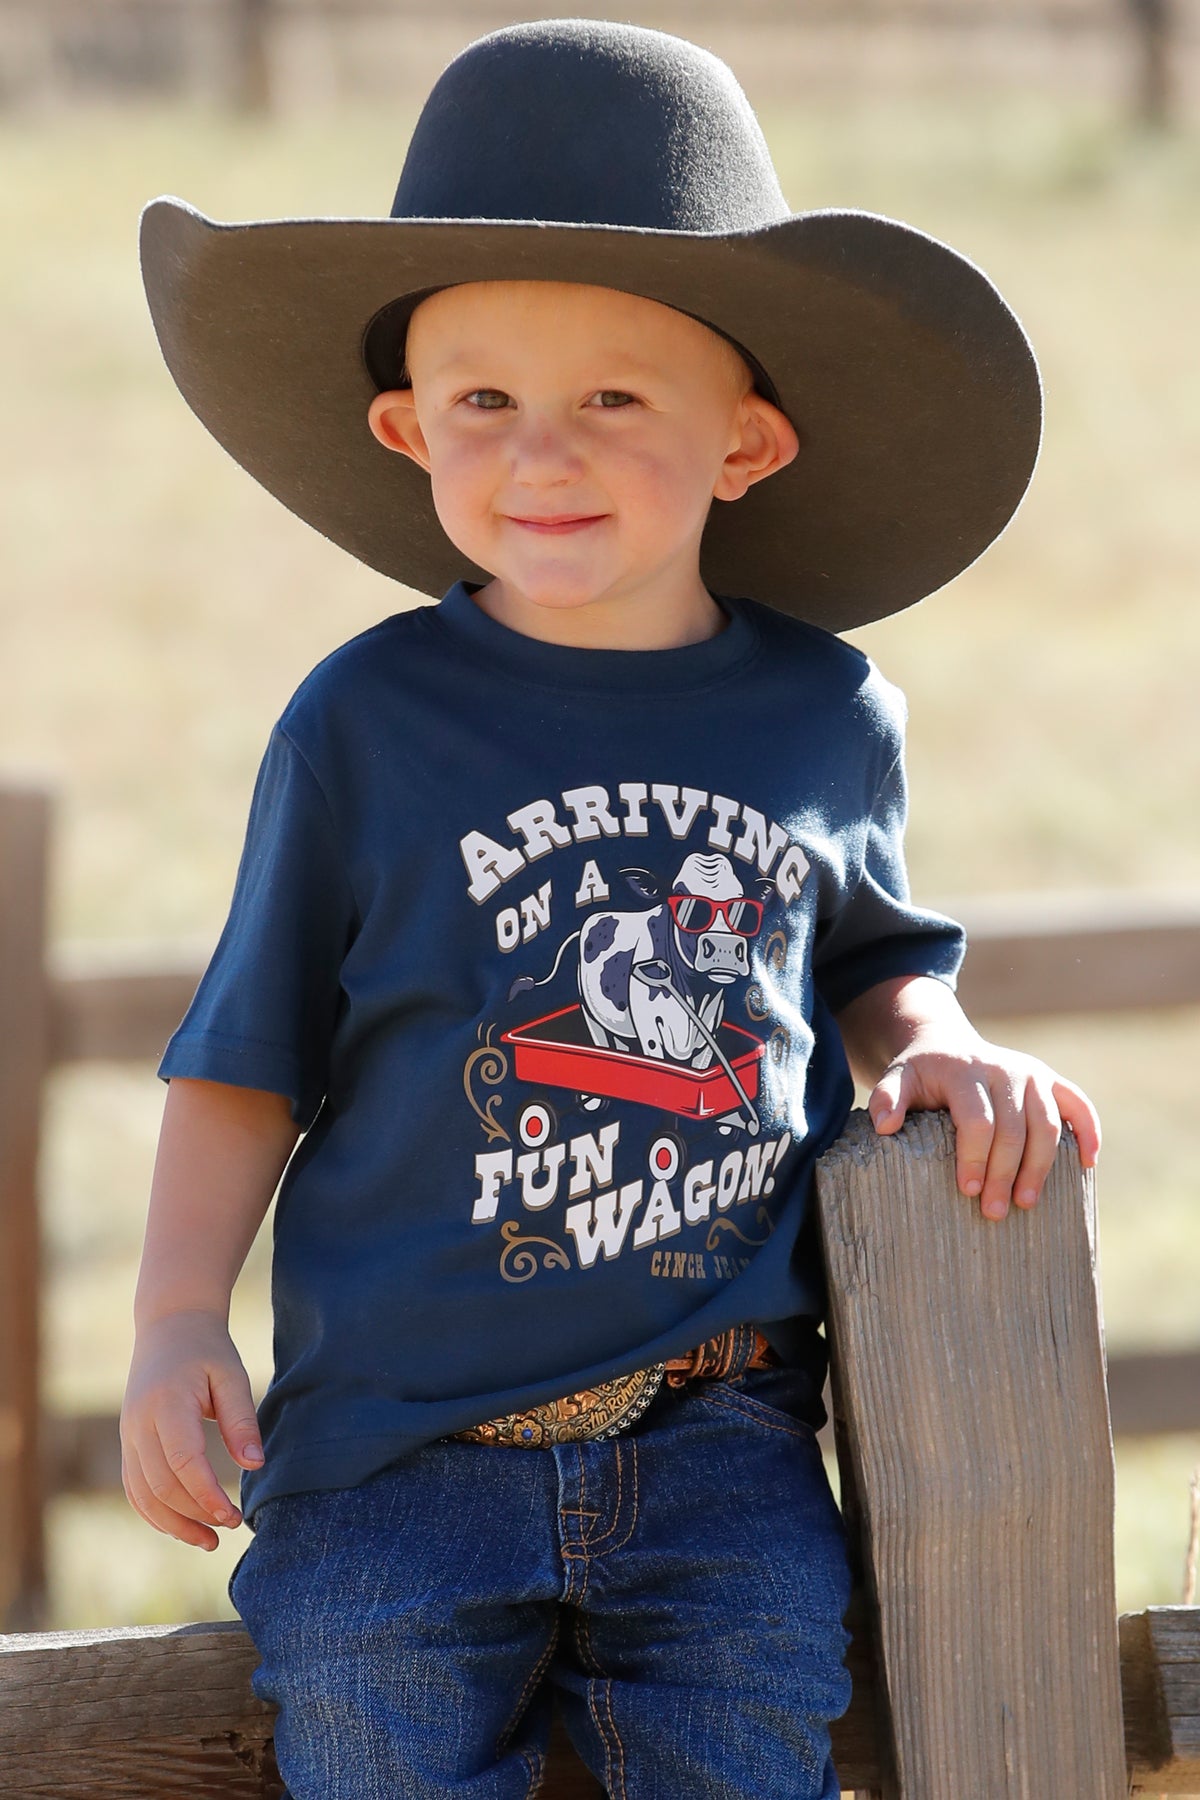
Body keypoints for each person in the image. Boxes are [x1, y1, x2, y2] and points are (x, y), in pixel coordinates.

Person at [122, 20, 1101, 1799]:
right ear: (410, 429)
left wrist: (938, 1043)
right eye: (485, 402)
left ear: (747, 444)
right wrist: (179, 1314)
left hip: (719, 1433)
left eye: (614, 402)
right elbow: (248, 1049)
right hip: (400, 1455)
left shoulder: (828, 716)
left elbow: (873, 955)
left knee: (750, 1745)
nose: (540, 454)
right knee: (368, 1735)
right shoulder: (366, 720)